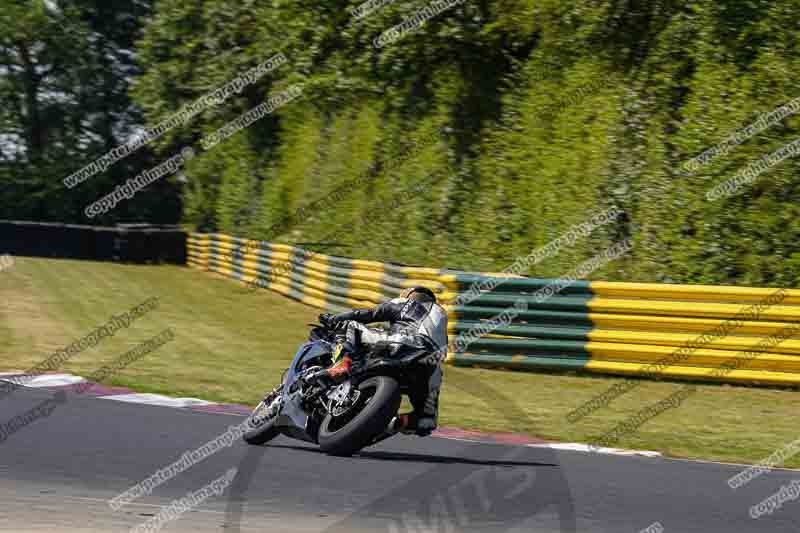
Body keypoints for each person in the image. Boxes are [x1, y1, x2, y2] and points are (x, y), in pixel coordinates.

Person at [315, 286, 448, 436]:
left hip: (404, 343)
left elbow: (370, 314)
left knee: (349, 326)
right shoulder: (442, 320)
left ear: (411, 295)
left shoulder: (409, 304)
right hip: (432, 367)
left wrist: (334, 319)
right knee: (427, 420)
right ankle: (396, 423)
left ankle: (342, 364)